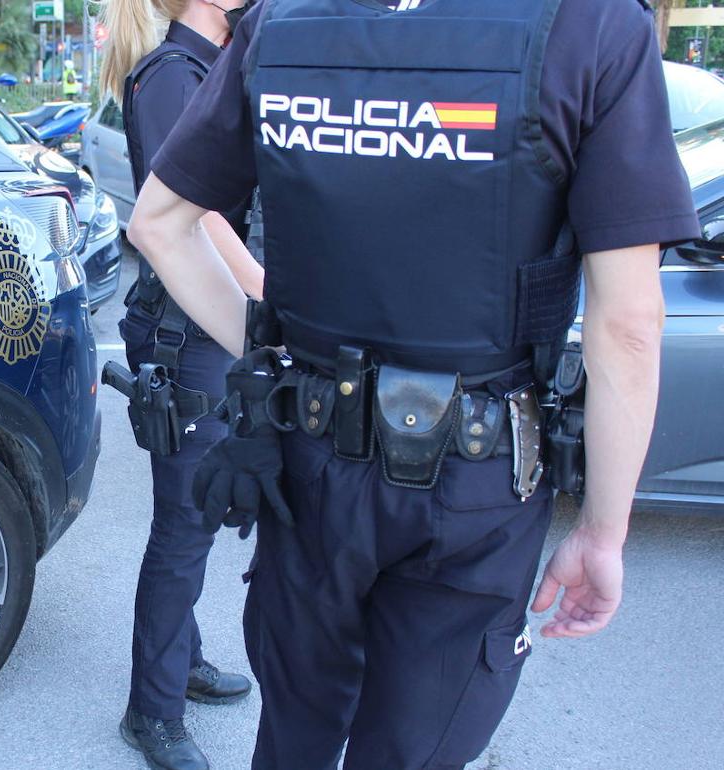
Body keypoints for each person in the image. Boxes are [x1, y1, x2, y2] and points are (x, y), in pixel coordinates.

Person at [127, 0, 698, 768]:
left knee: (293, 736)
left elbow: (159, 223)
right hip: (475, 489)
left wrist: (282, 361)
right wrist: (602, 533)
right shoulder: (588, 23)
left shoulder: (281, 22)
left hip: (312, 467)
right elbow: (627, 322)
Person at [98, 1, 262, 768]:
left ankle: (182, 663)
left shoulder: (216, 65)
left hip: (207, 324)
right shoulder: (171, 75)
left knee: (193, 516)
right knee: (184, 527)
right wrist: (266, 299)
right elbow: (195, 221)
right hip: (188, 331)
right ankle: (151, 712)